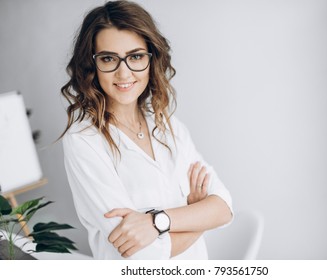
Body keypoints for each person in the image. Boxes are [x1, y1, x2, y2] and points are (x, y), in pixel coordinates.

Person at [61, 0, 233, 260]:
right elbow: (142, 256)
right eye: (108, 58)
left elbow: (224, 208)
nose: (124, 72)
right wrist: (197, 216)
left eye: (135, 56)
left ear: (151, 60)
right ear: (91, 65)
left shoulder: (169, 126)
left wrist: (156, 222)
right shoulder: (84, 140)